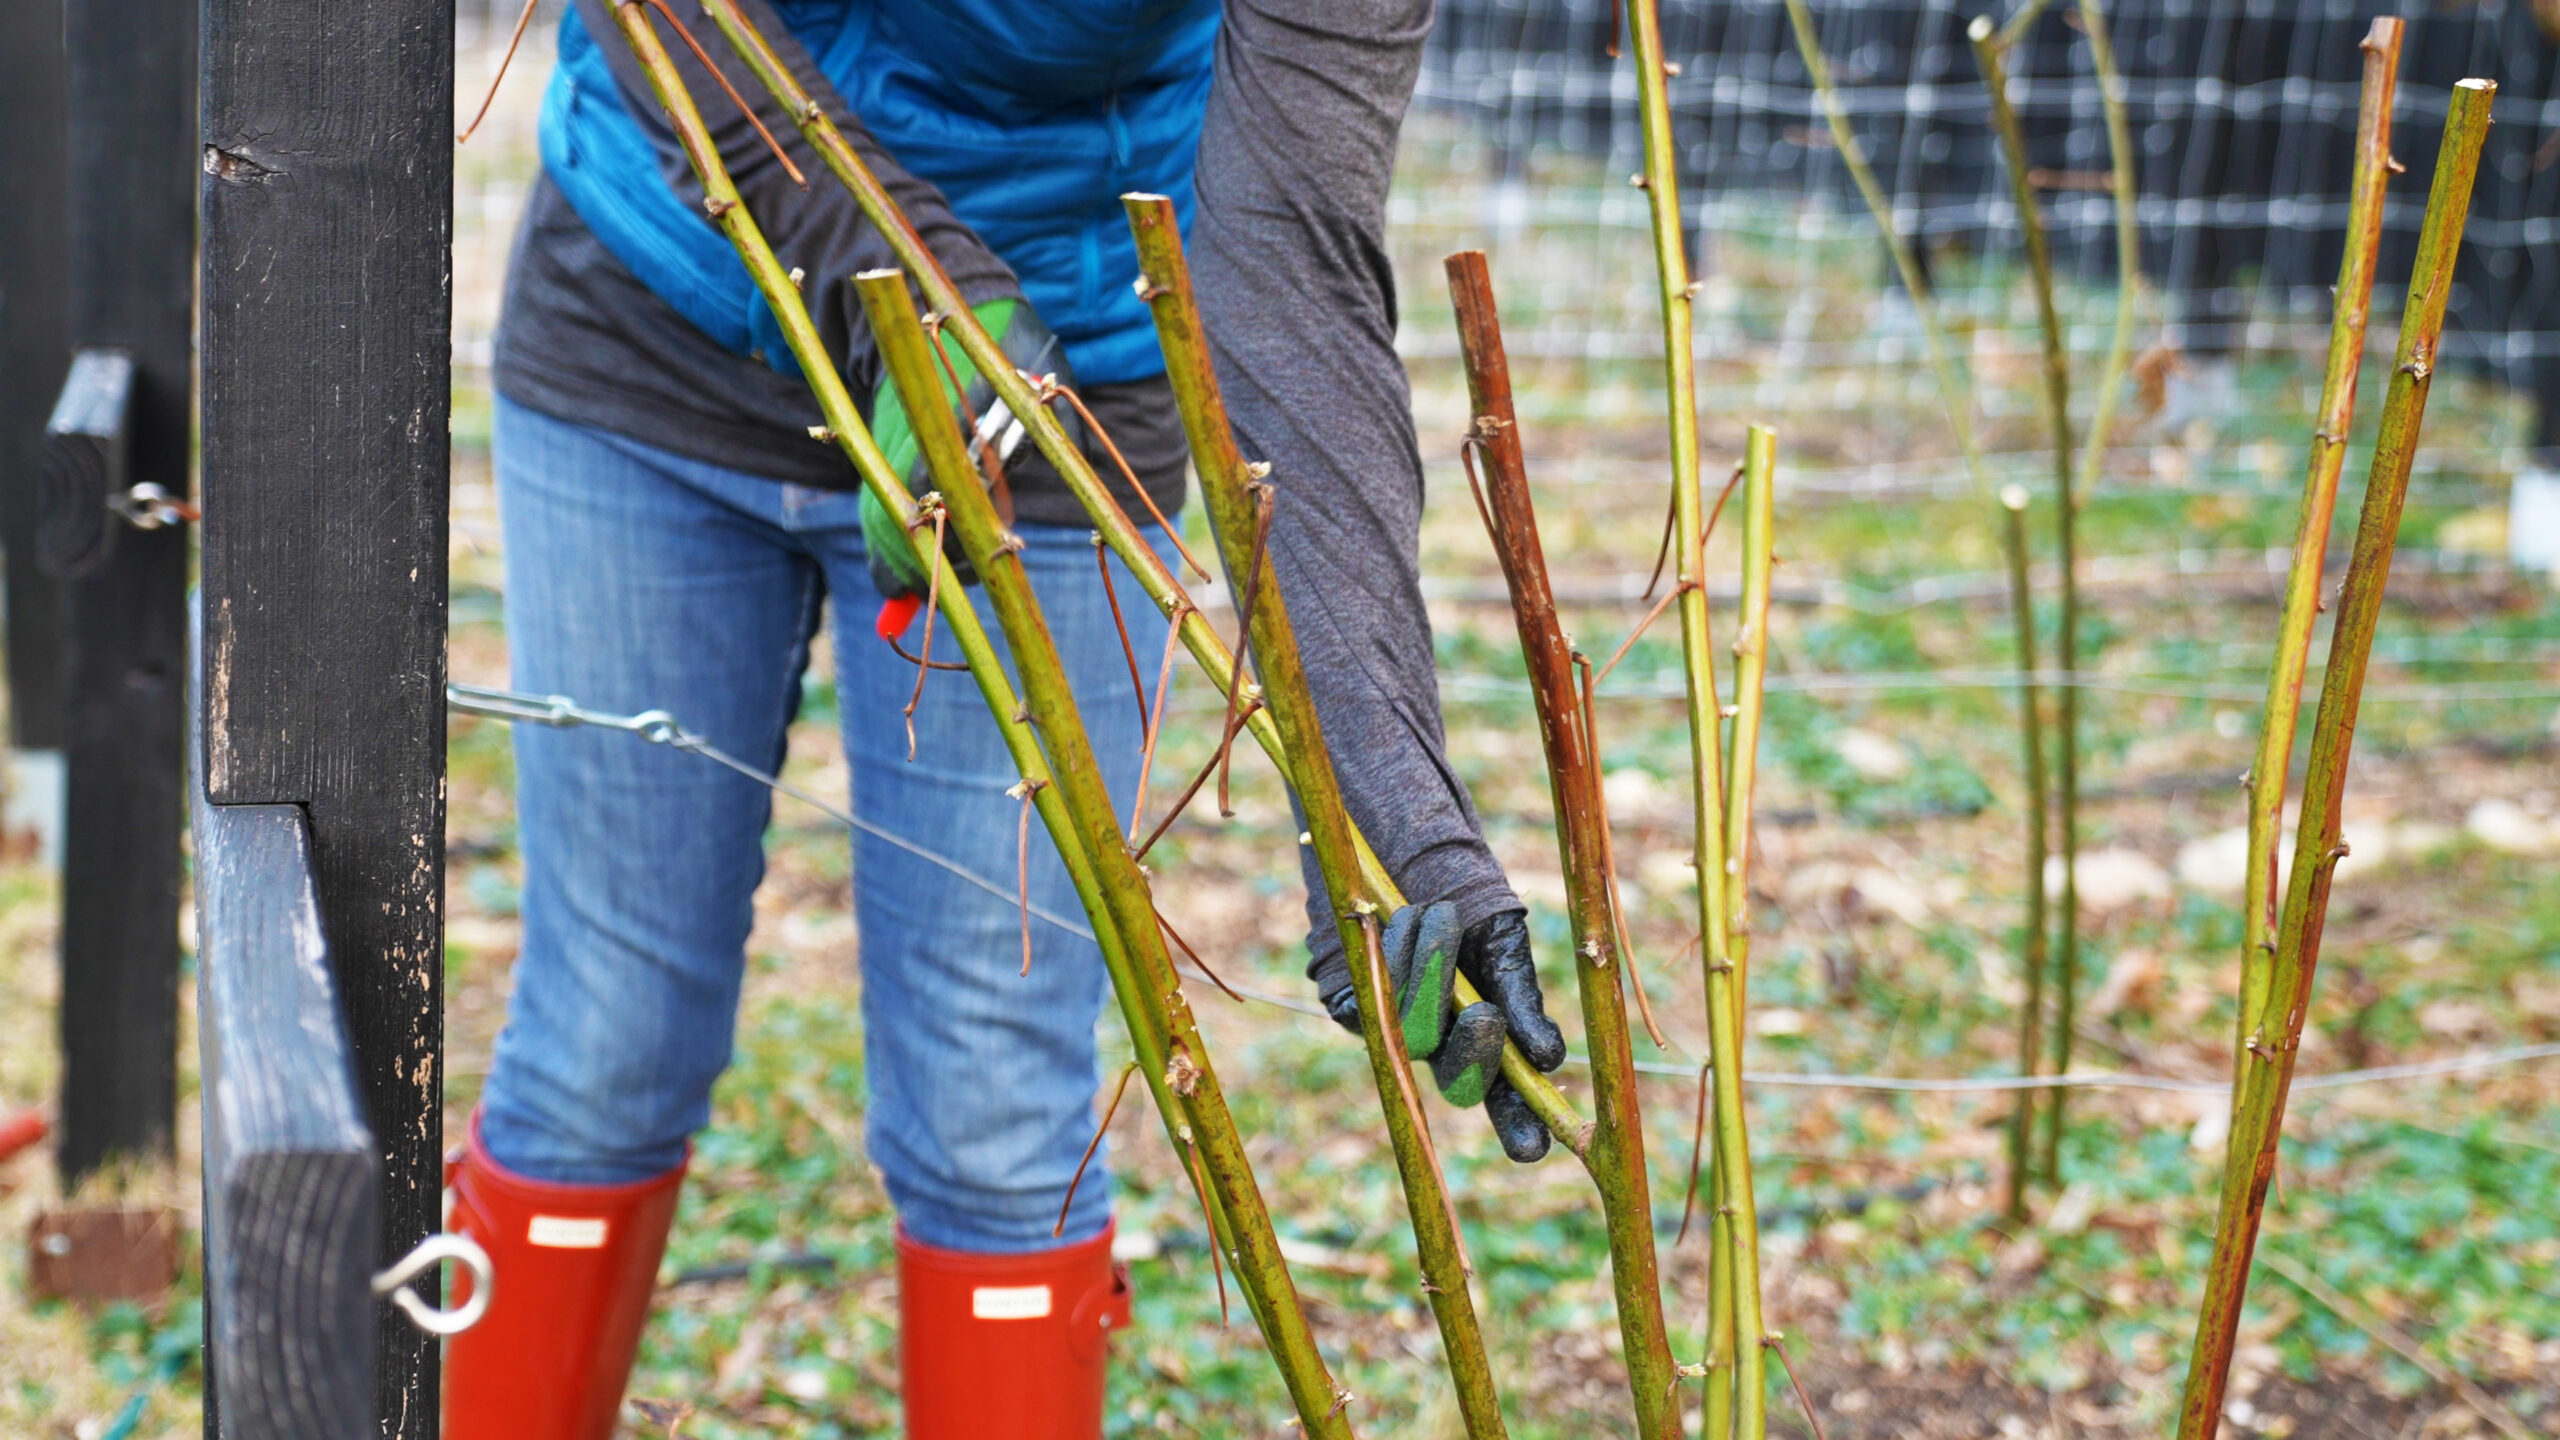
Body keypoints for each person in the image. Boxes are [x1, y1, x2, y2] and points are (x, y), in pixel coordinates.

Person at [445, 2, 1569, 1436]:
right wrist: (903, 281)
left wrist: (1383, 793)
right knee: (602, 1041)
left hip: (1049, 402)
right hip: (663, 311)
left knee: (994, 1105)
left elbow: (1289, 250)